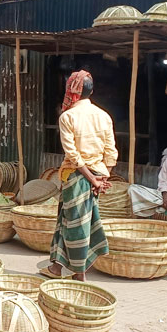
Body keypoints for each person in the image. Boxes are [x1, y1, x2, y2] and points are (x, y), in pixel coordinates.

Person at [43, 71, 117, 281]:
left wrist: (93, 180)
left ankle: (79, 272)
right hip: (96, 174)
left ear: (70, 91)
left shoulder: (67, 116)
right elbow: (110, 152)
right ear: (91, 91)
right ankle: (56, 268)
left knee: (77, 223)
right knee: (67, 219)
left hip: (78, 175)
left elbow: (72, 154)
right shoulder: (104, 115)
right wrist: (102, 178)